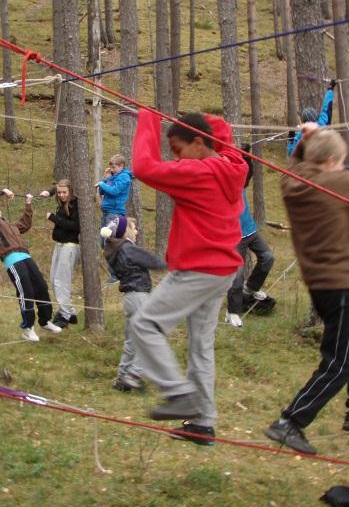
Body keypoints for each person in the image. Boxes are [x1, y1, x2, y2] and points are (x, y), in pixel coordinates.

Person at [265, 121, 349, 455]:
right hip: (340, 283)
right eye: (340, 159)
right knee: (340, 363)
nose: (341, 164)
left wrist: (306, 140)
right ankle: (290, 422)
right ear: (332, 161)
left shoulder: (293, 183)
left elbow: (294, 165)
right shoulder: (332, 182)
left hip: (323, 283)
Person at [130, 109, 247, 446]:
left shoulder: (197, 172)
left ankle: (178, 393)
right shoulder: (231, 163)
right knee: (200, 345)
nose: (175, 159)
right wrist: (185, 119)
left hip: (200, 267)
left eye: (178, 150)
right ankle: (202, 422)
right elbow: (221, 129)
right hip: (222, 268)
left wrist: (148, 118)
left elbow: (143, 168)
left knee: (144, 325)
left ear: (198, 143)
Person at [0, 188, 59, 342]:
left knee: (41, 286)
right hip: (12, 259)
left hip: (26, 256)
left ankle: (45, 320)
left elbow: (25, 224)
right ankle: (28, 328)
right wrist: (1, 192)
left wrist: (28, 204)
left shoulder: (10, 226)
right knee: (25, 291)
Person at [101, 215, 166, 392]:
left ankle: (123, 376)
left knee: (131, 341)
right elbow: (155, 262)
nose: (136, 231)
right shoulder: (128, 248)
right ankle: (134, 374)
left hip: (129, 299)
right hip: (139, 297)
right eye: (133, 228)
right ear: (125, 231)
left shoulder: (114, 250)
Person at [225, 146, 275, 328]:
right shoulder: (223, 187)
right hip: (234, 237)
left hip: (250, 230)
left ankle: (252, 288)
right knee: (236, 276)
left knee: (267, 258)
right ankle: (232, 312)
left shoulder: (240, 181)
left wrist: (246, 157)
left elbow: (247, 172)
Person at [40, 179, 80, 330]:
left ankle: (65, 315)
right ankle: (70, 312)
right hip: (59, 245)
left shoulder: (75, 204)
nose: (62, 195)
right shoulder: (62, 203)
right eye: (59, 192)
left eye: (65, 192)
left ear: (70, 192)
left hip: (70, 247)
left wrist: (53, 218)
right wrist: (49, 192)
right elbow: (58, 185)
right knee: (53, 279)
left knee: (60, 281)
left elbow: (75, 227)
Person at [96, 154, 133, 283]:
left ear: (121, 166)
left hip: (115, 213)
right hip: (107, 212)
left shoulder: (124, 178)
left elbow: (114, 191)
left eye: (114, 167)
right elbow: (103, 191)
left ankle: (115, 274)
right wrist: (105, 179)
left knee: (110, 243)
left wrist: (102, 183)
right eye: (111, 166)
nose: (112, 169)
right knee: (102, 242)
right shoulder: (113, 177)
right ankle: (118, 270)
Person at [287, 79, 336, 157]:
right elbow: (326, 107)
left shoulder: (301, 136)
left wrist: (291, 139)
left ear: (304, 121)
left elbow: (291, 154)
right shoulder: (322, 124)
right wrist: (330, 89)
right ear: (316, 117)